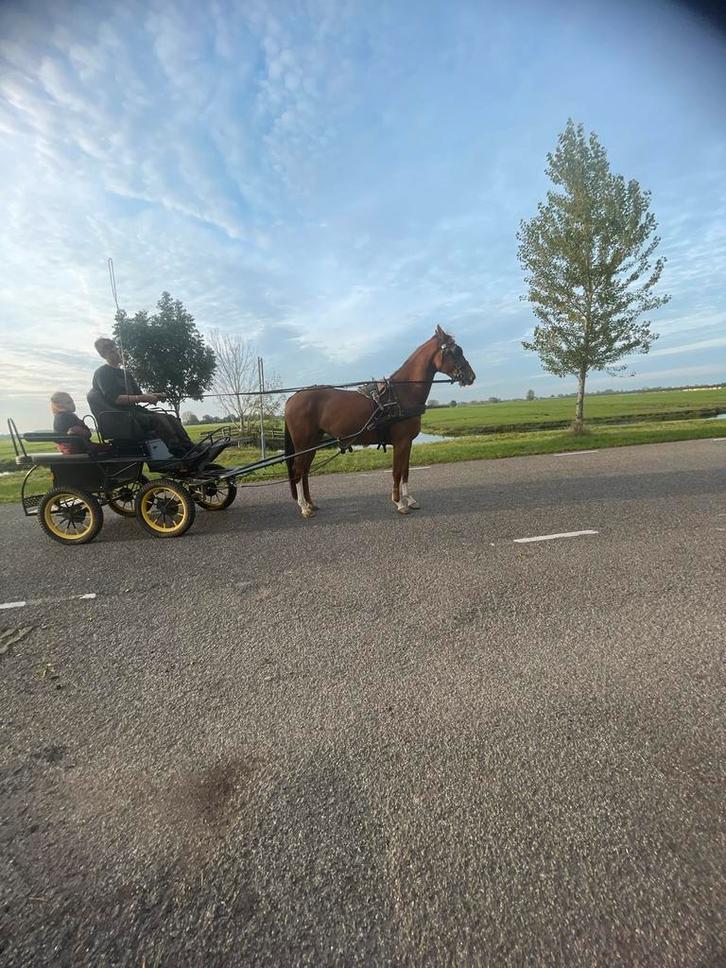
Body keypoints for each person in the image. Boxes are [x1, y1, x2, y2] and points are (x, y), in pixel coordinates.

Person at [91, 338, 194, 453]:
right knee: (158, 419)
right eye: (112, 351)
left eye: (116, 349)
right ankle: (178, 451)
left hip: (136, 412)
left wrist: (156, 395)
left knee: (170, 418)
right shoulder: (102, 373)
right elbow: (116, 399)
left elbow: (138, 395)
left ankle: (190, 447)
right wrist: (145, 398)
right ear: (103, 354)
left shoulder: (126, 373)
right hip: (121, 417)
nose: (116, 352)